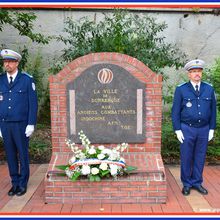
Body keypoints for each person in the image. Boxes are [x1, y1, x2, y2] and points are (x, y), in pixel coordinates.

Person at [171, 59, 217, 196]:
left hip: (203, 129)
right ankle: (186, 183)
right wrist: (177, 129)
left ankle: (197, 182)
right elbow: (175, 111)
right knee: (186, 156)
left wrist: (212, 128)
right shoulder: (181, 89)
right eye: (194, 72)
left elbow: (213, 110)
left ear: (201, 73)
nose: (197, 74)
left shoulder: (209, 88)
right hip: (187, 129)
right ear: (189, 74)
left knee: (200, 156)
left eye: (199, 71)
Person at [0, 49, 38, 196]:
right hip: (5, 123)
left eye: (10, 62)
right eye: (5, 62)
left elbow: (33, 104)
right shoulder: (1, 79)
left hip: (21, 124)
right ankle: (14, 183)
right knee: (10, 155)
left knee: (22, 154)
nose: (7, 64)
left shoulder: (27, 80)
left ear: (17, 63)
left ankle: (22, 183)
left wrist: (31, 123)